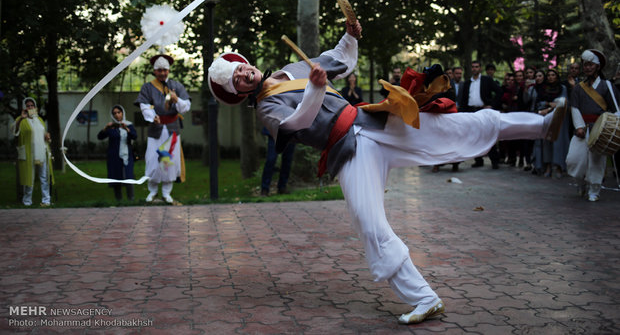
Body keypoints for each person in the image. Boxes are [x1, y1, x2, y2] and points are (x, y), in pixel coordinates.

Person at [207, 19, 567, 325]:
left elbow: (340, 60)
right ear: (238, 92)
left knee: (456, 126)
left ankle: (542, 125)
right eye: (236, 79)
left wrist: (351, 34)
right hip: (347, 149)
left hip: (372, 120)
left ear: (247, 62)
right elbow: (296, 123)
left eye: (239, 67)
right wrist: (316, 89)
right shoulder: (266, 110)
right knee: (368, 221)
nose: (242, 73)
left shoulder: (293, 69)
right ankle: (424, 298)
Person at [135, 54, 191, 204]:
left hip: (172, 129)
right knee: (153, 161)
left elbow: (186, 106)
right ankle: (152, 191)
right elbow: (144, 106)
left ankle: (167, 193)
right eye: (159, 70)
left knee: (169, 161)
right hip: (156, 129)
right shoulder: (148, 87)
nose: (162, 73)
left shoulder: (176, 86)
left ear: (168, 70)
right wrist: (152, 116)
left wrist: (176, 99)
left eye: (165, 70)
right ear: (155, 71)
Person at [566, 49, 620, 202]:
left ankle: (594, 190)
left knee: (596, 161)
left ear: (597, 66)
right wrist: (579, 127)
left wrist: (610, 128)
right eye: (585, 65)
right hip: (582, 127)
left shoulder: (606, 85)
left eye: (590, 65)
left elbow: (616, 109)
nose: (587, 68)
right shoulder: (578, 88)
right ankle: (580, 183)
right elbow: (575, 108)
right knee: (574, 159)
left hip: (600, 128)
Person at [461, 61, 503, 168]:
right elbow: (464, 100)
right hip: (471, 112)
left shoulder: (486, 80)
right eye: (473, 67)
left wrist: (491, 105)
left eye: (476, 67)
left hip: (483, 111)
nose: (474, 69)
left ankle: (495, 160)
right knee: (475, 136)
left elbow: (499, 91)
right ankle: (478, 160)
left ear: (480, 68)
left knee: (488, 134)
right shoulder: (467, 83)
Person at [13, 97, 54, 207]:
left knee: (44, 177)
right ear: (24, 108)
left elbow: (43, 134)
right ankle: (27, 201)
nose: (30, 107)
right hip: (28, 154)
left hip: (42, 152)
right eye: (28, 106)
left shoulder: (39, 120)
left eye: (32, 105)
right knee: (29, 177)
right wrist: (21, 118)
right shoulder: (20, 120)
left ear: (35, 107)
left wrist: (47, 137)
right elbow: (15, 132)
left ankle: (46, 200)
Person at [97, 105, 137, 201]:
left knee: (128, 176)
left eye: (119, 112)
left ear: (122, 113)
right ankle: (119, 200)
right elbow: (100, 137)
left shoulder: (129, 125)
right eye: (114, 113)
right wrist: (106, 128)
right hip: (114, 156)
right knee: (116, 177)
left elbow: (134, 136)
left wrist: (126, 129)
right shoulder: (111, 127)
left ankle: (131, 199)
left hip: (127, 155)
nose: (117, 115)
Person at [260, 126, 295, 196]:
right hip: (274, 130)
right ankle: (265, 188)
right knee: (271, 159)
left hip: (290, 130)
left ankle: (282, 186)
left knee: (287, 160)